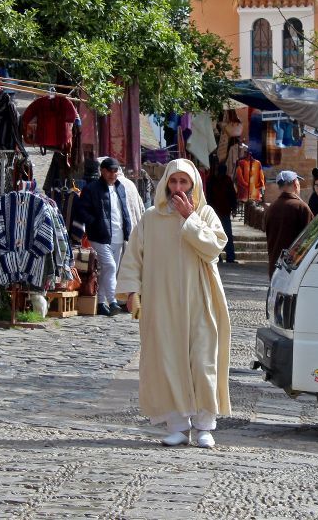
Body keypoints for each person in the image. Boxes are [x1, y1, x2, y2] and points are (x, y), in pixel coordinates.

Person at [119, 158, 231, 448]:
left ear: (193, 184)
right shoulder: (151, 218)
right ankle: (178, 426)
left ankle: (205, 424)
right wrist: (132, 291)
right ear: (166, 183)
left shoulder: (205, 214)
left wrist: (190, 219)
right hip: (162, 302)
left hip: (200, 299)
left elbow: (214, 248)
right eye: (174, 181)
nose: (178, 187)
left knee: (203, 361)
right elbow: (134, 258)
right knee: (167, 361)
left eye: (184, 182)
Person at [75, 157, 134, 316]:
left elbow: (124, 211)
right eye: (110, 171)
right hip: (99, 236)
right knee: (110, 267)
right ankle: (113, 301)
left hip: (118, 236)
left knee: (108, 271)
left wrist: (128, 229)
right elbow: (81, 210)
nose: (113, 174)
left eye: (115, 171)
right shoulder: (91, 188)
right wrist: (94, 223)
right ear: (102, 171)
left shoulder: (120, 188)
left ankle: (101, 303)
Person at [264, 170, 313, 278]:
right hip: (294, 269)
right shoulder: (301, 207)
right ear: (296, 184)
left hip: (275, 267)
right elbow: (310, 239)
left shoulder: (271, 208)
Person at [205, 161, 239, 263]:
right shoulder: (216, 180)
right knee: (226, 234)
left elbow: (232, 196)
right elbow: (233, 196)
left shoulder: (212, 180)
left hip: (218, 212)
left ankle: (222, 256)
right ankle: (229, 257)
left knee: (217, 234)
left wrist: (233, 208)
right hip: (221, 212)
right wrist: (234, 208)